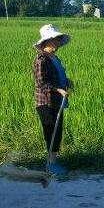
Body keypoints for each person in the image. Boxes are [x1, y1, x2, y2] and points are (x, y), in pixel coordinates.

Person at [33, 24, 72, 173]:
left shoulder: (55, 58)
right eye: (55, 40)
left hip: (57, 101)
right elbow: (42, 83)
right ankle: (50, 165)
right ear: (46, 42)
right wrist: (58, 89)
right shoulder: (41, 60)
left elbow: (57, 76)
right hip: (46, 102)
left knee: (58, 131)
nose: (58, 43)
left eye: (58, 39)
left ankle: (53, 162)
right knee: (51, 131)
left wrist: (67, 81)